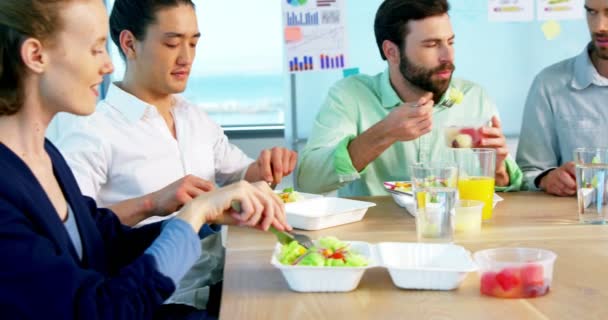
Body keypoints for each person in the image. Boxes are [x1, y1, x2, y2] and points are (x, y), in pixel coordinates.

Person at [0, 0, 288, 319]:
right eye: (96, 49)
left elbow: (99, 240)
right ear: (36, 55)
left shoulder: (45, 158)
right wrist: (193, 214)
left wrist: (200, 216)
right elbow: (101, 309)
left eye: (194, 42)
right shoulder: (12, 183)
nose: (109, 65)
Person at [297, 0, 522, 196]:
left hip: (456, 231)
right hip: (376, 237)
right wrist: (385, 132)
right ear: (391, 52)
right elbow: (309, 181)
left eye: (450, 42)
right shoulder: (349, 96)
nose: (448, 56)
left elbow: (509, 188)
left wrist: (499, 171)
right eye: (432, 45)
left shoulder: (474, 97)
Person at [516, 0, 608, 196]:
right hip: (579, 222)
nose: (599, 26)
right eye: (591, 12)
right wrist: (546, 178)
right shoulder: (549, 84)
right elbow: (526, 173)